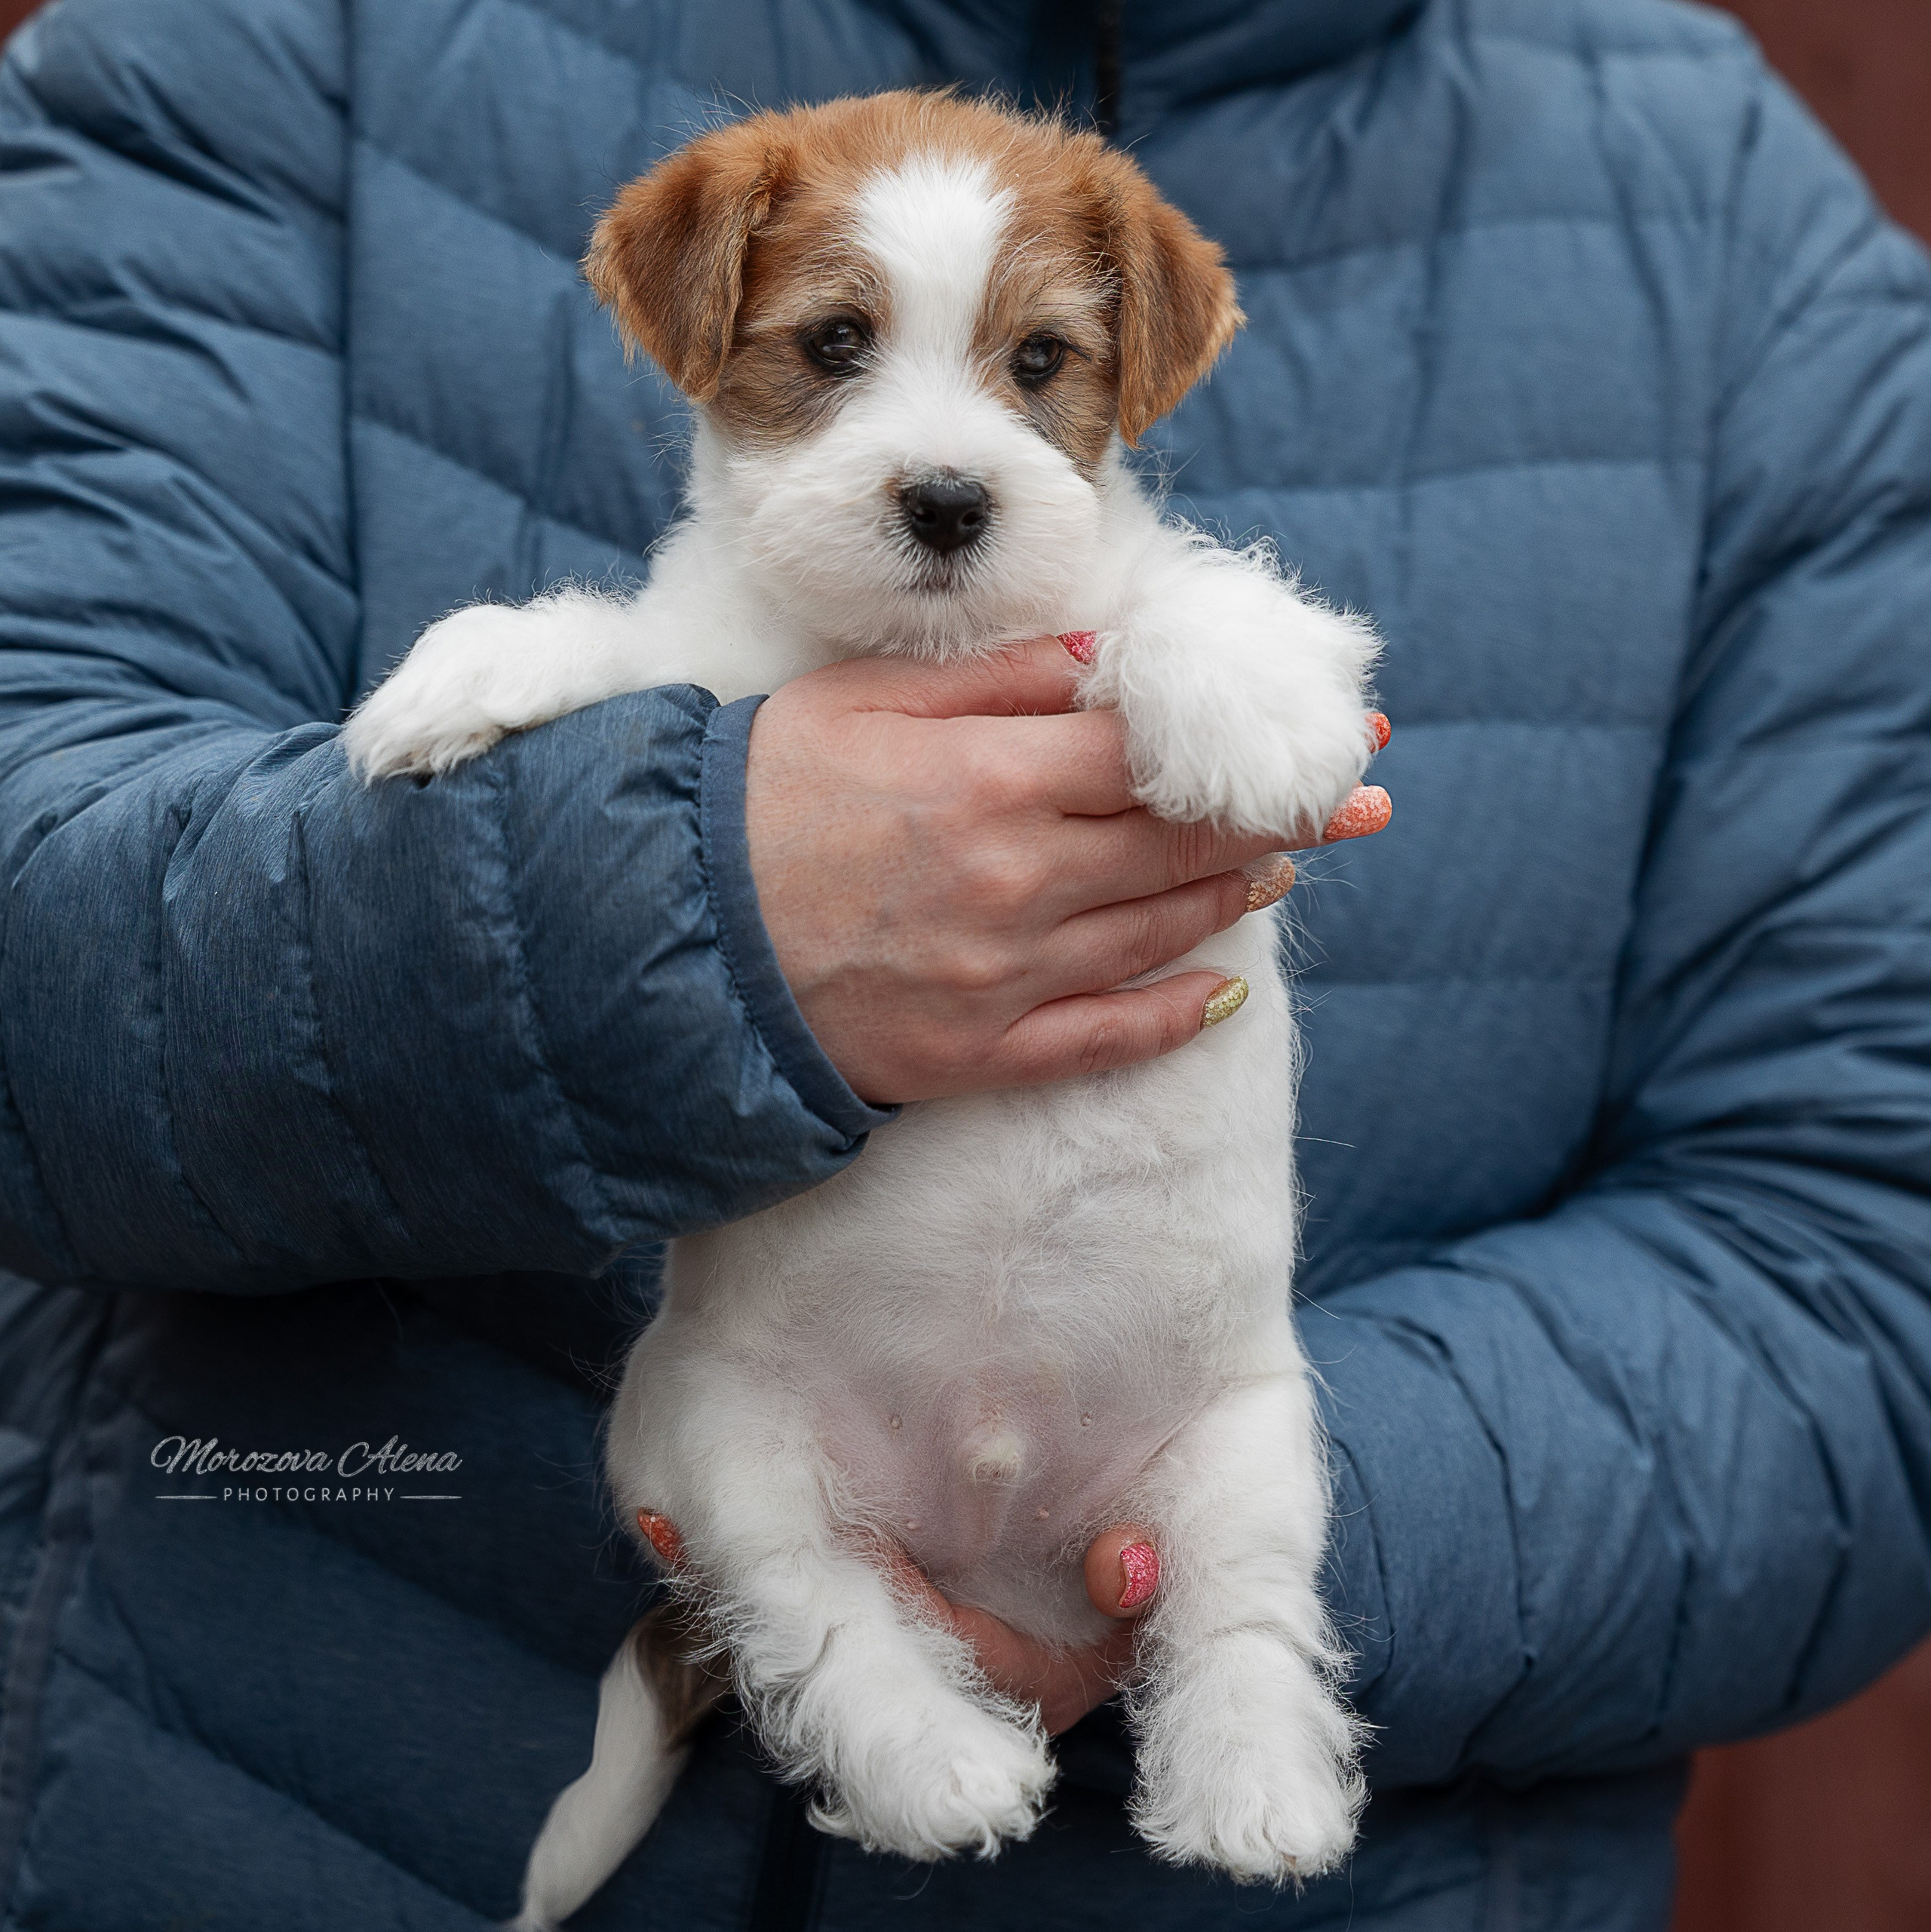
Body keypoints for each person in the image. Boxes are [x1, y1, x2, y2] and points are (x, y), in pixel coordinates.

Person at [0, 0, 1925, 1927]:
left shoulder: (1733, 221)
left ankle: (1233, 1676)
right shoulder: (280, 48)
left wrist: (1217, 1547)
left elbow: (1858, 1251)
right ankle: (838, 1656)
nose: (937, 454)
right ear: (696, 320)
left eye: (1033, 369)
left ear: (1128, 374)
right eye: (833, 349)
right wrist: (655, 898)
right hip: (289, 1791)